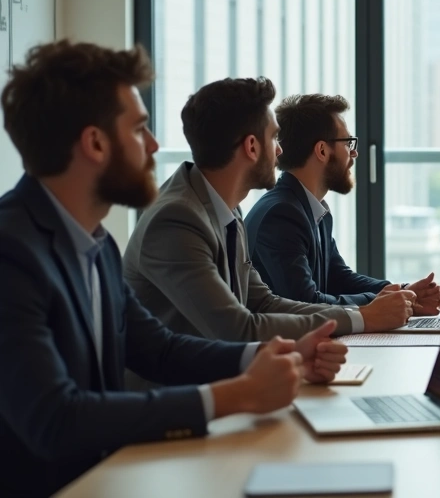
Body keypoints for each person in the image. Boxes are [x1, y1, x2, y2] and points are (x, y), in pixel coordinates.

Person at [0, 41, 347, 496]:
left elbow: (159, 349)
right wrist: (236, 394)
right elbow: (56, 419)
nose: (154, 144)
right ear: (95, 143)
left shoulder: (95, 244)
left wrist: (280, 355)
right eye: (138, 128)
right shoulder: (11, 252)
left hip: (111, 475)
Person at [124, 78, 418, 348]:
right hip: (186, 386)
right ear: (252, 147)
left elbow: (264, 303)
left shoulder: (226, 209)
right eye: (274, 138)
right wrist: (363, 317)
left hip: (224, 373)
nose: (280, 151)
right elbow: (237, 329)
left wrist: (364, 313)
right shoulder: (177, 219)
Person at [245, 93, 440, 312]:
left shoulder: (311, 209)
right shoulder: (281, 215)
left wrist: (403, 291)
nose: (355, 153)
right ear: (322, 151)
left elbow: (338, 277)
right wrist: (385, 302)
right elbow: (306, 301)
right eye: (348, 143)